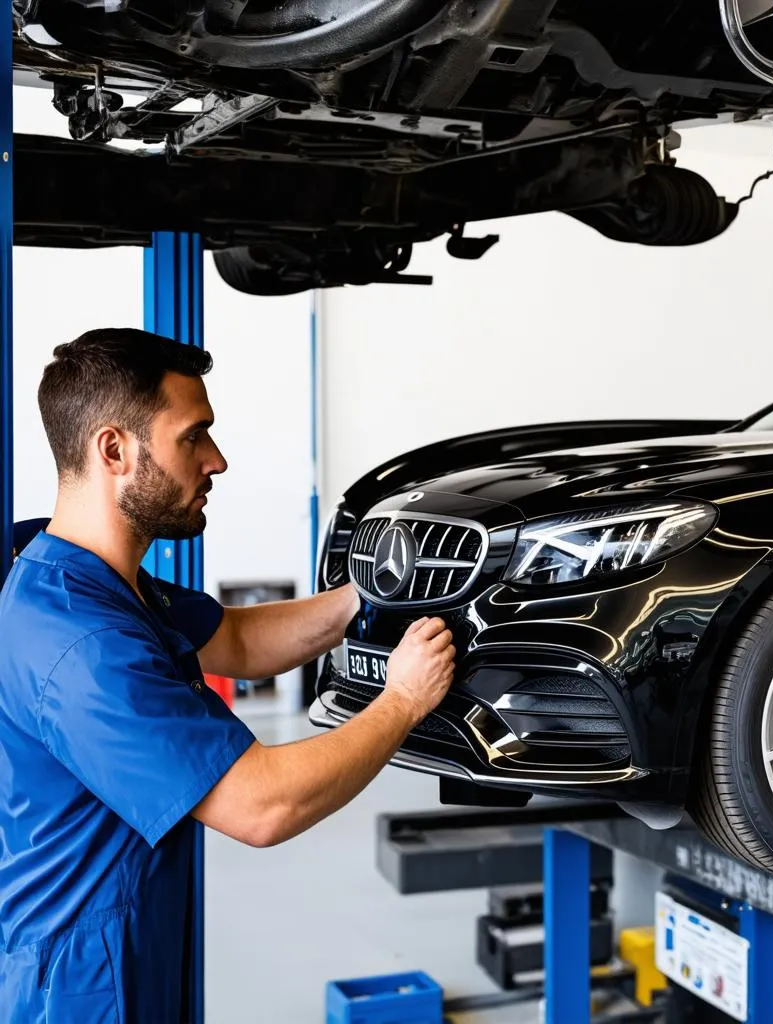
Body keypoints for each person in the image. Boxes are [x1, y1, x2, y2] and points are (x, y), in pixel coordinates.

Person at [0, 327, 456, 1023]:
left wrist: (368, 591)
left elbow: (237, 640)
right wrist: (404, 700)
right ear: (114, 450)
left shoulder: (80, 572)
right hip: (85, 989)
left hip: (129, 948)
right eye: (193, 437)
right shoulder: (84, 646)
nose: (217, 460)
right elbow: (260, 807)